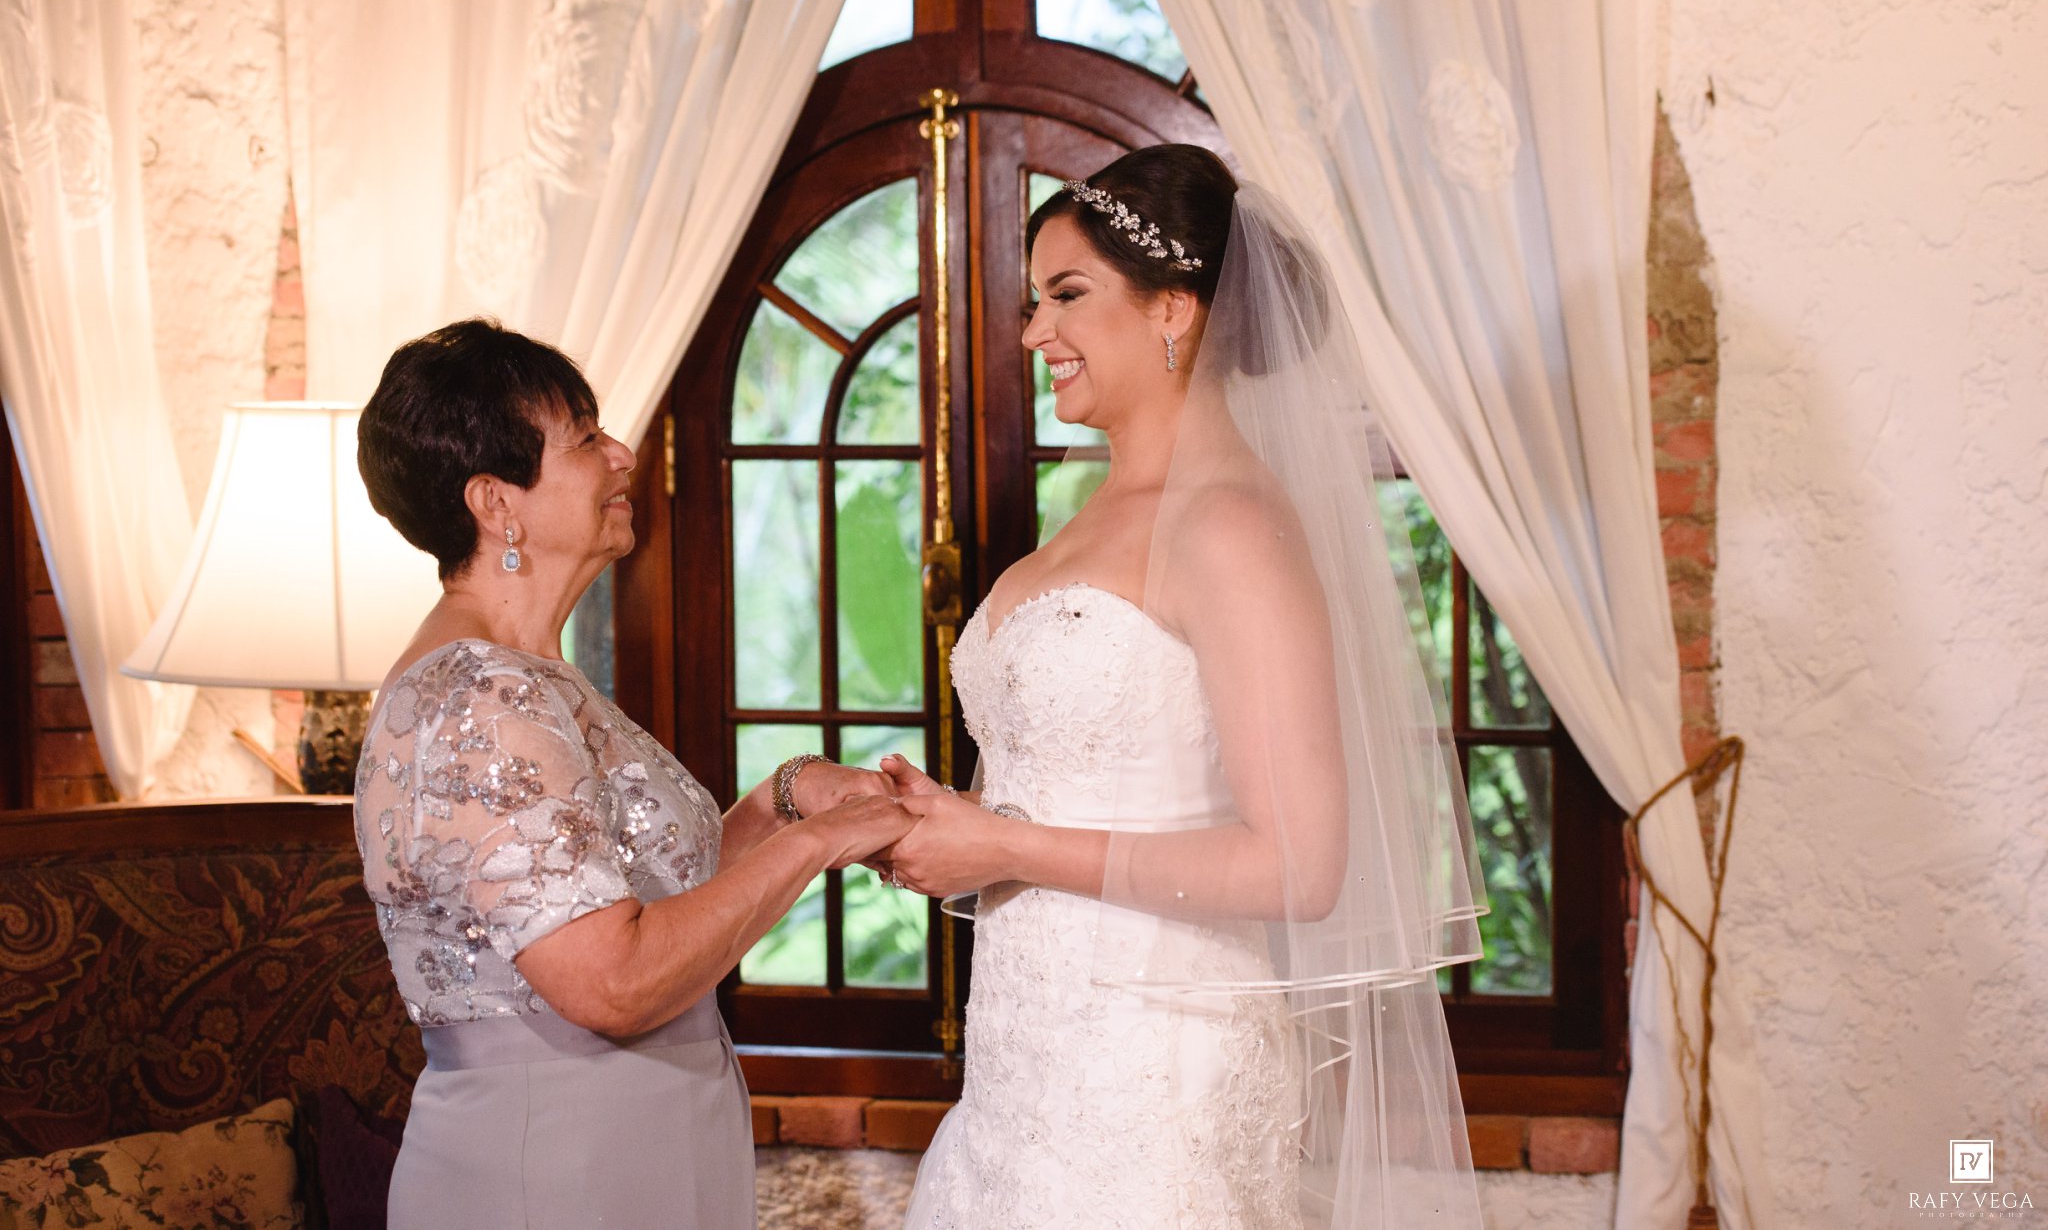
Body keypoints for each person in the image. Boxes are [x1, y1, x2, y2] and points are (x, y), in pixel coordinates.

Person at [885, 146, 1490, 1228]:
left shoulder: (1228, 525)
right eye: (1034, 301)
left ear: (1173, 307)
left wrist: (1006, 846)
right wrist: (942, 820)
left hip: (1153, 1078)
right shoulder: (1092, 513)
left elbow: (1298, 864)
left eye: (1067, 294)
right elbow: (1075, 783)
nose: (1032, 333)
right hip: (1025, 1066)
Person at [352, 319, 909, 1228]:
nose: (622, 453)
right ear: (495, 502)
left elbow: (652, 901)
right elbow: (610, 982)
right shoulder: (480, 696)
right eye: (585, 438)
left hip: (630, 1145)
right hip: (555, 1169)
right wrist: (819, 844)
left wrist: (784, 801)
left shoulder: (533, 677)